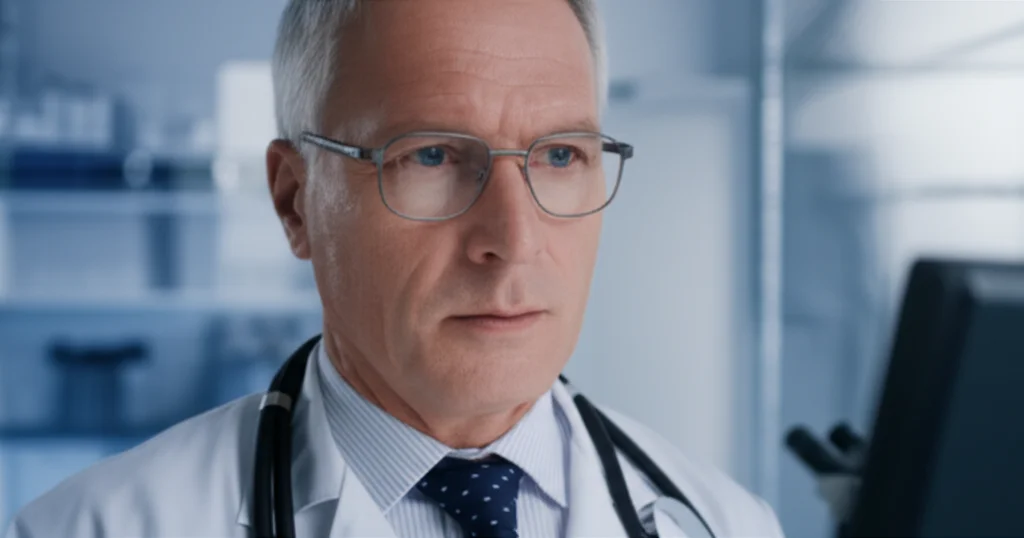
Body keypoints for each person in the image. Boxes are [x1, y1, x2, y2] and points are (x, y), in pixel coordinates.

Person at [4, 0, 785, 537]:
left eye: (557, 156)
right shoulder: (96, 526)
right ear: (295, 200)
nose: (512, 239)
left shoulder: (724, 521)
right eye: (433, 156)